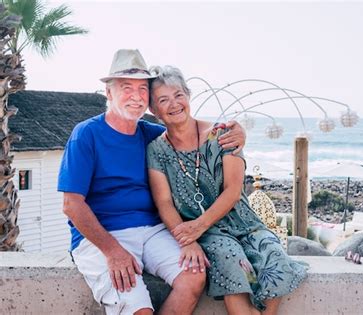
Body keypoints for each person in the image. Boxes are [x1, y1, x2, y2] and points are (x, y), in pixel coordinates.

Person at [58, 49, 246, 315]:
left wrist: (236, 132)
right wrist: (113, 251)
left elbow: (196, 134)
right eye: (126, 88)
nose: (136, 96)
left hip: (155, 231)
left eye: (142, 89)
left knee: (194, 276)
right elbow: (71, 204)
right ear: (109, 93)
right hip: (104, 235)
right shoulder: (86, 134)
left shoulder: (154, 135)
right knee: (139, 310)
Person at [146, 65, 307, 315]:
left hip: (243, 222)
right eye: (163, 100)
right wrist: (187, 239)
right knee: (230, 258)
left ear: (188, 96)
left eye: (179, 95)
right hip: (208, 234)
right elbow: (164, 202)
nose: (174, 104)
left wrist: (199, 224)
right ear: (153, 110)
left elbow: (233, 191)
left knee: (274, 256)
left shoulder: (223, 134)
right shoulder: (156, 150)